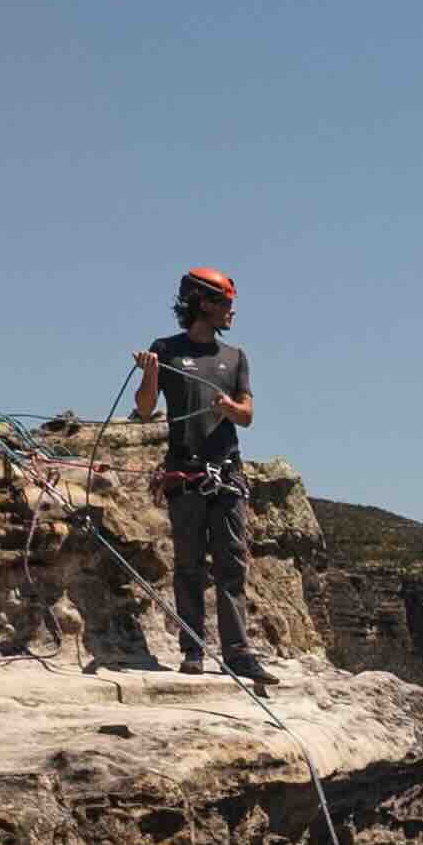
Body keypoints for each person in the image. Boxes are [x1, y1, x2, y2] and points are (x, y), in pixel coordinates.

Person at [130, 266, 264, 685]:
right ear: (204, 304)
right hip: (184, 473)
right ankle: (193, 650)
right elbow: (148, 408)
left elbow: (248, 415)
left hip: (226, 474)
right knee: (189, 564)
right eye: (226, 304)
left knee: (231, 564)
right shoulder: (166, 349)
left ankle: (238, 653)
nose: (231, 313)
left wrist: (229, 408)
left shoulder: (235, 357)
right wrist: (150, 374)